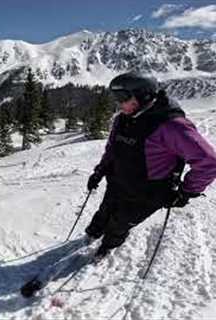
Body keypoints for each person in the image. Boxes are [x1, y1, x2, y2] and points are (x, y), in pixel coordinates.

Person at [85, 72, 216, 259]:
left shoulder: (171, 126)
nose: (118, 104)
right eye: (115, 98)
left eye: (122, 98)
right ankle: (93, 232)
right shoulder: (123, 118)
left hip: (146, 194)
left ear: (143, 95)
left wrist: (187, 191)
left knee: (120, 223)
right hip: (118, 181)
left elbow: (208, 162)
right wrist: (100, 170)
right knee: (105, 210)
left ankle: (107, 246)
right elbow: (113, 147)